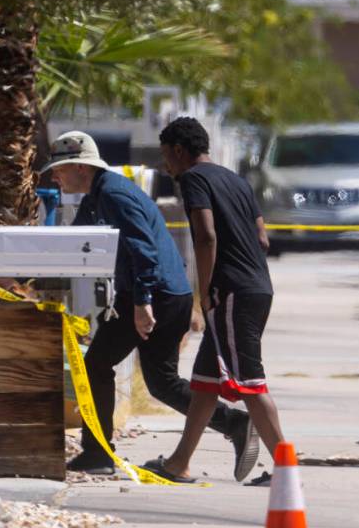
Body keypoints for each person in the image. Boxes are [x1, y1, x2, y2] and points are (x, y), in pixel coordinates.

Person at [41, 131, 260, 480]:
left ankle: (98, 452)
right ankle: (232, 422)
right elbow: (72, 247)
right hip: (158, 294)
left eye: (60, 169)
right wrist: (25, 276)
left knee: (98, 364)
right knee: (161, 382)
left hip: (157, 295)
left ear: (81, 167)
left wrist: (142, 303)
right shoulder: (97, 196)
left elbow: (145, 250)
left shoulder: (114, 194)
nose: (54, 177)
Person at [145, 117, 285, 485]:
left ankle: (288, 471)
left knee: (250, 383)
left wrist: (204, 291)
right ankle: (178, 463)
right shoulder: (236, 180)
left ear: (179, 150)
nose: (166, 166)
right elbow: (262, 238)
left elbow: (206, 236)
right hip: (257, 287)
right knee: (205, 381)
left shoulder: (194, 179)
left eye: (166, 157)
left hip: (232, 292)